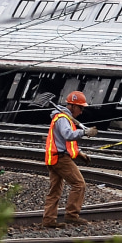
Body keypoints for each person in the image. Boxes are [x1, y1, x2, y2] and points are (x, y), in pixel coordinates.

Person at [42, 91, 98, 228]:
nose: (81, 111)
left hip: (54, 158)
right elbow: (68, 135)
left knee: (55, 190)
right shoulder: (62, 118)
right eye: (80, 108)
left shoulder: (63, 117)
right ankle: (72, 215)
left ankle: (49, 220)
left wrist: (79, 154)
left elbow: (65, 142)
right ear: (72, 106)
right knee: (79, 184)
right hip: (61, 159)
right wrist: (84, 132)